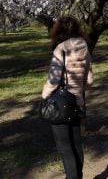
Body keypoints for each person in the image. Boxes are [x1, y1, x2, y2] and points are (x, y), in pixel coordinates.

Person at [42, 16, 94, 179]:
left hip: (62, 104)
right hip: (78, 101)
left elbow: (53, 80)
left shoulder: (61, 49)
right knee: (77, 143)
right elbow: (90, 79)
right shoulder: (84, 46)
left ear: (59, 30)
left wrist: (45, 94)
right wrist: (78, 89)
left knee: (64, 146)